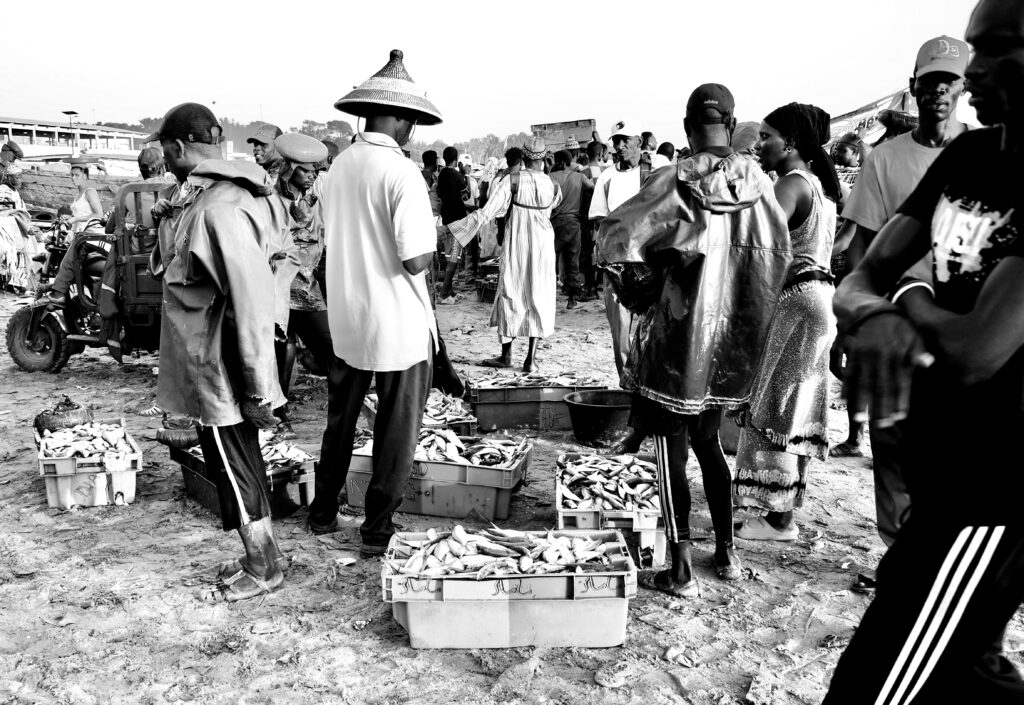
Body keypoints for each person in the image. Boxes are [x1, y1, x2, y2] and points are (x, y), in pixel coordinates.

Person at [822, 2, 1024, 700]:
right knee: (968, 676)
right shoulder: (970, 156)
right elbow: (856, 278)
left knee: (871, 686)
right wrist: (877, 307)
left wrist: (903, 301)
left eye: (1001, 48)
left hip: (994, 490)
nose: (976, 73)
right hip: (941, 464)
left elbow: (978, 351)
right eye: (974, 52)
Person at [597, 83, 792, 595]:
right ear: (731, 124)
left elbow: (613, 237)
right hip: (731, 347)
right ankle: (726, 552)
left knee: (671, 451)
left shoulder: (671, 182)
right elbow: (778, 261)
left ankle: (680, 563)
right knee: (711, 448)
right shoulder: (764, 189)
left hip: (679, 342)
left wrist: (644, 290)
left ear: (687, 127)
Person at [834, 36, 971, 564]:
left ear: (962, 88)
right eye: (930, 80)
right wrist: (859, 323)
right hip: (898, 319)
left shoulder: (982, 153)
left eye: (949, 81)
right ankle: (900, 550)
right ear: (914, 87)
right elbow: (864, 252)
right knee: (892, 442)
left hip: (965, 324)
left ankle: (944, 551)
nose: (938, 90)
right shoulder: (885, 160)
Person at [147, 102, 289, 602]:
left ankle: (262, 565)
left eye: (164, 149)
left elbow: (250, 301)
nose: (162, 158)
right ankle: (266, 552)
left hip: (224, 362)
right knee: (237, 458)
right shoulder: (202, 199)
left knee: (232, 462)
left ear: (179, 147)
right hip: (211, 359)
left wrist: (255, 384)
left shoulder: (221, 207)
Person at [308, 49, 440, 558]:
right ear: (403, 120)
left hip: (346, 316)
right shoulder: (402, 173)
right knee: (394, 430)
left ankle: (323, 511)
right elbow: (415, 261)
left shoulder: (338, 167)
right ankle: (376, 528)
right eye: (412, 124)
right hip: (398, 323)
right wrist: (439, 240)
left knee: (340, 421)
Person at [733, 103, 841, 541]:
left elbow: (756, 249)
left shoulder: (791, 187)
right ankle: (783, 511)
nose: (760, 146)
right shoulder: (820, 188)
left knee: (775, 404)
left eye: (767, 137)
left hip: (795, 301)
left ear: (791, 144)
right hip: (820, 298)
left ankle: (774, 517)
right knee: (797, 406)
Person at [448, 136, 562, 372]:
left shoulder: (513, 180)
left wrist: (460, 229)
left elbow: (488, 211)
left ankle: (507, 355)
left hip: (518, 243)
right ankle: (531, 360)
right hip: (543, 246)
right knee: (539, 295)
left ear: (524, 156)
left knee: (511, 291)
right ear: (542, 158)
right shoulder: (550, 183)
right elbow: (551, 211)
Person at [590, 118, 656, 454]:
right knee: (621, 337)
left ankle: (647, 409)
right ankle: (632, 401)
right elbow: (600, 220)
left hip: (649, 268)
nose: (617, 147)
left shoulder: (654, 174)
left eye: (624, 141)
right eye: (615, 142)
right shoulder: (607, 178)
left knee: (650, 338)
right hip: (617, 267)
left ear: (639, 144)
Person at [271, 133, 333, 416]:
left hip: (308, 284)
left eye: (314, 171)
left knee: (328, 348)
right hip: (281, 283)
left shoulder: (315, 199)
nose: (311, 176)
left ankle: (342, 405)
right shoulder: (271, 199)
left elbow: (321, 236)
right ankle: (278, 407)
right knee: (281, 347)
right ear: (289, 168)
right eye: (305, 171)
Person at [38, 158, 107, 305]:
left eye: (76, 175)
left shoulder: (90, 191)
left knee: (70, 262)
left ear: (85, 175)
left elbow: (98, 214)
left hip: (91, 234)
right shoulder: (78, 194)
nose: (73, 178)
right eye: (72, 175)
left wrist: (75, 220)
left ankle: (59, 290)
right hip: (78, 234)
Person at [549, 149, 594, 309]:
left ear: (559, 162)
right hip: (574, 224)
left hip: (554, 223)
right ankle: (571, 300)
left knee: (550, 261)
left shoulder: (551, 177)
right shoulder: (580, 177)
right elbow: (593, 188)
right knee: (573, 261)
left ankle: (549, 297)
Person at [437, 146, 467, 300]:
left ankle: (449, 290)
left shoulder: (441, 174)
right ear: (456, 160)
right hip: (457, 220)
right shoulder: (456, 175)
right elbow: (464, 193)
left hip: (445, 218)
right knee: (454, 258)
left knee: (450, 256)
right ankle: (444, 292)